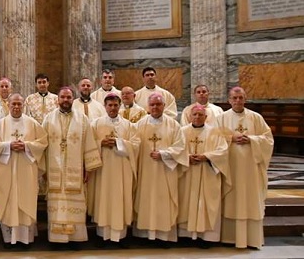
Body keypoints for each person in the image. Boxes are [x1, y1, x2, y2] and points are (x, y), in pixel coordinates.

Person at [42, 86, 102, 245]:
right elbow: (42, 146)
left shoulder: (82, 119)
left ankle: (75, 238)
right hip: (55, 170)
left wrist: (88, 167)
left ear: (72, 99)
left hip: (75, 171)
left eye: (69, 97)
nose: (66, 100)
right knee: (57, 202)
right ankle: (57, 239)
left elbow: (89, 142)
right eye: (63, 97)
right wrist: (43, 169)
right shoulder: (48, 118)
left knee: (75, 201)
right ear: (58, 100)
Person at [0, 93, 47, 247]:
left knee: (26, 200)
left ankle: (25, 239)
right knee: (9, 202)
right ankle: (9, 239)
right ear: (9, 105)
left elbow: (42, 142)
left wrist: (27, 146)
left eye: (19, 104)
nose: (16, 107)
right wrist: (8, 146)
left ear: (23, 105)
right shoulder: (0, 125)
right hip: (6, 171)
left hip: (26, 170)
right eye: (13, 104)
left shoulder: (33, 124)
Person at [217, 87, 274, 249]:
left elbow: (268, 139)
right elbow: (213, 138)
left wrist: (251, 139)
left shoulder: (256, 117)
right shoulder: (221, 118)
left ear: (245, 99)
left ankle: (252, 239)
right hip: (230, 168)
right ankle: (229, 238)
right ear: (229, 100)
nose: (237, 101)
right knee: (231, 199)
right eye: (234, 98)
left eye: (240, 98)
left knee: (250, 199)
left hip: (251, 169)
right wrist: (231, 138)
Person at [133, 93, 188, 243]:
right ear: (148, 107)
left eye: (158, 104)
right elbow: (133, 146)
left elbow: (181, 147)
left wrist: (164, 154)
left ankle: (164, 236)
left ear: (164, 106)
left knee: (164, 201)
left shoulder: (173, 125)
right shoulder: (140, 124)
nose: (155, 107)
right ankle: (144, 236)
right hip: (145, 172)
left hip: (166, 172)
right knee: (145, 200)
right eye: (152, 105)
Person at [88, 93, 139, 243]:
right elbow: (89, 144)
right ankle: (102, 236)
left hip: (122, 170)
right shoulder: (96, 124)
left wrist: (118, 142)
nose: (112, 108)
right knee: (103, 199)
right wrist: (100, 143)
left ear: (120, 106)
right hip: (102, 171)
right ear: (105, 107)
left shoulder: (128, 125)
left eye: (115, 105)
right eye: (109, 105)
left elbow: (136, 145)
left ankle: (120, 237)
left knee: (119, 200)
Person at [178, 104, 229, 245]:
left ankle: (207, 237)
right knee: (187, 202)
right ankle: (186, 236)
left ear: (206, 117)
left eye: (200, 115)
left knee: (206, 204)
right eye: (194, 114)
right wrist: (186, 157)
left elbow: (223, 151)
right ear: (190, 116)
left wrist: (206, 156)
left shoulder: (215, 132)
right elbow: (176, 150)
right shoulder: (182, 131)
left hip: (208, 173)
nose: (197, 117)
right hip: (188, 173)